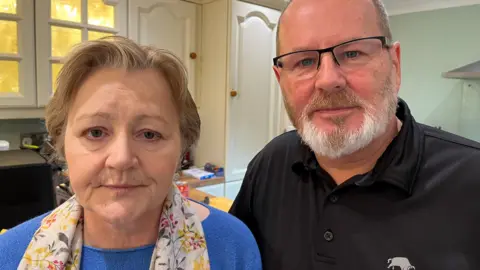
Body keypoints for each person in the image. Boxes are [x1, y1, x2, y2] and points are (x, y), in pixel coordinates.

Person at [229, 0, 480, 269]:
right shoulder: (271, 164)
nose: (328, 80)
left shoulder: (471, 180)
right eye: (304, 61)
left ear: (394, 64)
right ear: (281, 81)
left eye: (352, 54)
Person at [0, 36, 262, 270]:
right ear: (61, 143)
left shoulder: (233, 248)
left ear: (182, 147)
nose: (122, 159)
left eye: (149, 134)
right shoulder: (9, 255)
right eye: (95, 132)